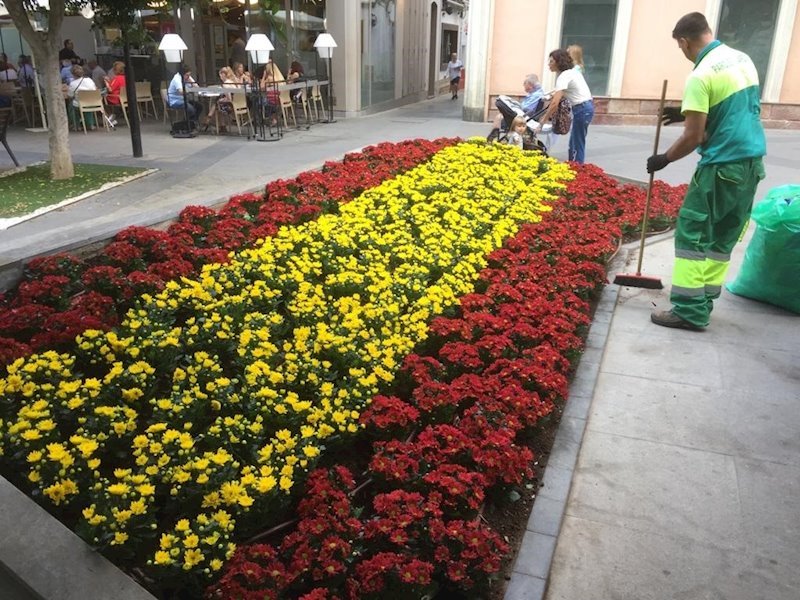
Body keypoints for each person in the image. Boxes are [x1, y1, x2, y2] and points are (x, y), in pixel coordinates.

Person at [646, 12, 766, 331]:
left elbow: (693, 137)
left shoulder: (700, 76)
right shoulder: (742, 60)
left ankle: (688, 310)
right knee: (722, 236)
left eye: (680, 47)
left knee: (691, 232)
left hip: (722, 165)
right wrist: (686, 110)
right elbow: (735, 113)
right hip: (752, 164)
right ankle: (706, 299)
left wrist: (664, 159)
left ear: (684, 42)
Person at [536, 48, 594, 164]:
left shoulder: (564, 76)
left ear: (559, 62)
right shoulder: (571, 72)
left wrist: (543, 120)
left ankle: (578, 169)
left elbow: (554, 103)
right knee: (574, 142)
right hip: (584, 108)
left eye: (551, 61)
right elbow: (561, 93)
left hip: (582, 109)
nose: (549, 64)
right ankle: (575, 166)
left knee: (577, 143)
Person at [488, 74, 544, 138]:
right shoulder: (534, 94)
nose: (523, 85)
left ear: (530, 85)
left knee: (499, 117)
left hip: (523, 116)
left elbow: (525, 108)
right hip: (524, 114)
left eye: (525, 83)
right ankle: (494, 134)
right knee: (500, 115)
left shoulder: (535, 95)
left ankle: (493, 135)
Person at [66, 64, 97, 130]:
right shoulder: (89, 80)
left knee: (71, 105)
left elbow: (70, 96)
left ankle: (76, 125)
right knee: (86, 104)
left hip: (80, 103)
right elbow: (95, 89)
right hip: (94, 102)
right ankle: (90, 124)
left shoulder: (73, 84)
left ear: (73, 74)